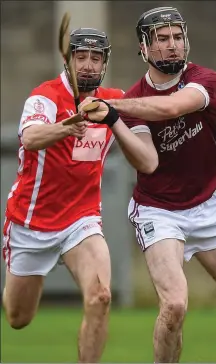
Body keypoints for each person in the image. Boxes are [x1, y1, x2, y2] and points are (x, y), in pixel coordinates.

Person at [79, 6, 216, 364]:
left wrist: (113, 105)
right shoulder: (136, 100)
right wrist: (114, 120)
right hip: (158, 211)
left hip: (207, 206)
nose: (173, 46)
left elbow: (172, 109)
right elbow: (148, 162)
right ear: (144, 47)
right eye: (163, 39)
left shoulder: (204, 79)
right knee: (173, 306)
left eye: (178, 37)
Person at [2, 28, 127, 363]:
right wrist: (66, 127)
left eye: (95, 58)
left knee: (100, 296)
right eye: (80, 56)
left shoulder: (112, 100)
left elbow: (151, 112)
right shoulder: (44, 97)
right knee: (18, 318)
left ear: (104, 62)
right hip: (31, 222)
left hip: (81, 221)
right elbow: (30, 138)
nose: (87, 65)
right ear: (68, 59)